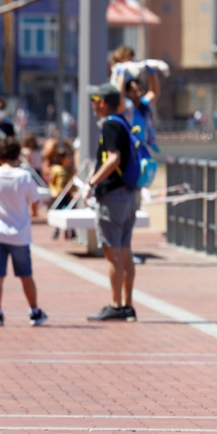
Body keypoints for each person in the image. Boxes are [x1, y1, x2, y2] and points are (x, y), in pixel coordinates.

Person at [85, 84, 138, 322]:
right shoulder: (123, 122)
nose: (92, 104)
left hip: (113, 195)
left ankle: (116, 305)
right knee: (125, 249)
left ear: (103, 102)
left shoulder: (110, 125)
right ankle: (127, 304)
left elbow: (114, 158)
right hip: (127, 194)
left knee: (112, 251)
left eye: (94, 99)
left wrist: (93, 181)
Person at [0, 137, 47, 327]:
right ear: (18, 155)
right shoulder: (24, 176)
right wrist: (33, 211)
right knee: (25, 274)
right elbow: (34, 199)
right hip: (19, 233)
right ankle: (34, 311)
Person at [119, 74, 160, 154]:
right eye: (134, 92)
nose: (139, 94)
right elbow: (119, 97)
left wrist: (152, 73)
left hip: (141, 150)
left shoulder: (143, 105)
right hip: (127, 151)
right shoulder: (125, 107)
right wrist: (122, 74)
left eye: (140, 90)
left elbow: (154, 92)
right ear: (126, 93)